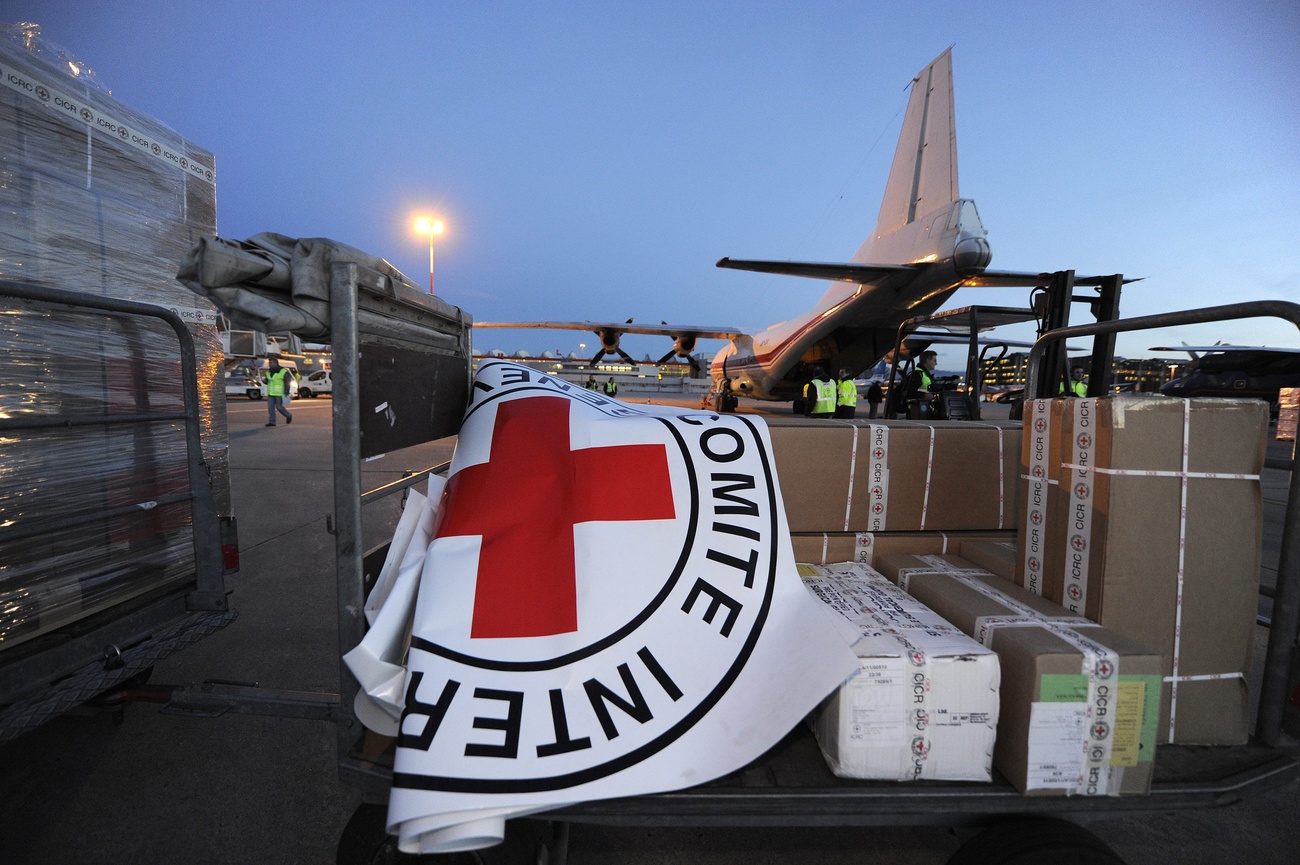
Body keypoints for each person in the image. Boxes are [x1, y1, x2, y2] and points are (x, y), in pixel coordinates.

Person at [904, 350, 940, 418]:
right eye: (934, 360)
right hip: (917, 411)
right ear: (927, 360)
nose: (936, 363)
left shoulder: (924, 375)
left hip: (923, 410)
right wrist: (924, 395)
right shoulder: (917, 374)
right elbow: (910, 392)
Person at [264, 357, 294, 427]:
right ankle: (272, 422)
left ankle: (288, 415)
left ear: (275, 363)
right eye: (269, 363)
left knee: (279, 407)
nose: (269, 364)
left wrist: (287, 391)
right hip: (270, 393)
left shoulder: (283, 371)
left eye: (270, 363)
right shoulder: (268, 372)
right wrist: (264, 381)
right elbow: (267, 380)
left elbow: (287, 381)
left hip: (279, 393)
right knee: (270, 408)